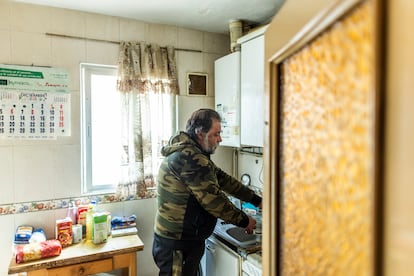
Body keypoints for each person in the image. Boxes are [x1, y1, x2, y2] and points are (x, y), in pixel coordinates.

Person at [152, 108, 262, 276]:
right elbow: (215, 202)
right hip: (178, 245)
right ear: (200, 133)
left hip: (178, 241)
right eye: (216, 134)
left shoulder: (193, 153)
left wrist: (257, 200)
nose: (220, 139)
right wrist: (245, 220)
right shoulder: (191, 159)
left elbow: (223, 179)